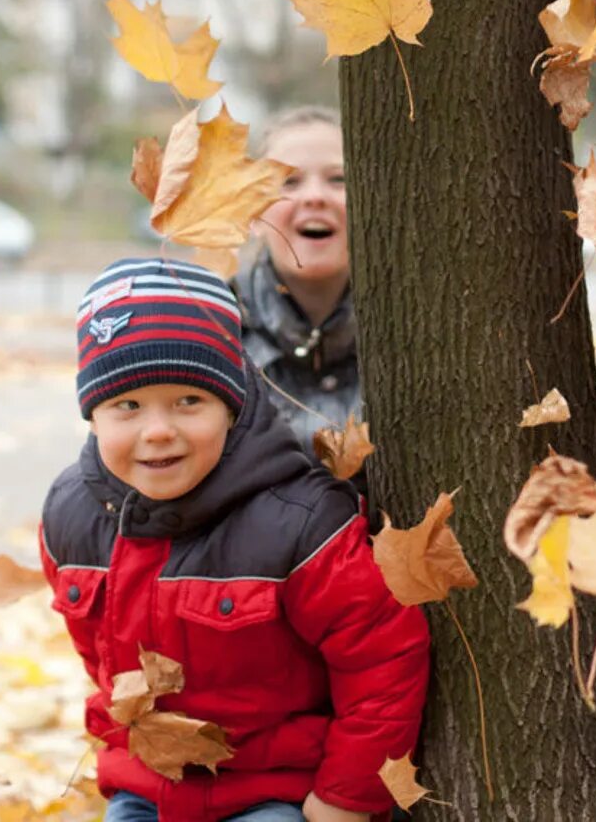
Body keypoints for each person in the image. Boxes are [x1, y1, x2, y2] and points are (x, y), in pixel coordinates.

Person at [40, 257, 429, 822]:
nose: (157, 430)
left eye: (188, 401)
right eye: (127, 406)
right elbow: (97, 652)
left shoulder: (300, 521)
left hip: (276, 790)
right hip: (147, 786)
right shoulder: (72, 517)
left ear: (232, 405)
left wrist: (346, 798)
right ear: (93, 416)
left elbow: (383, 662)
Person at [232, 108, 358, 452]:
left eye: (338, 179)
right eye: (289, 181)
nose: (314, 196)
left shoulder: (416, 334)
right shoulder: (215, 331)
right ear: (253, 211)